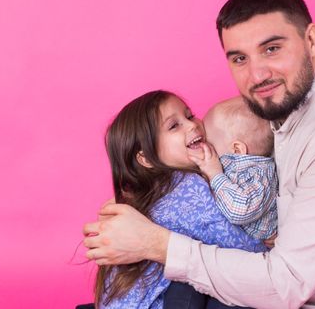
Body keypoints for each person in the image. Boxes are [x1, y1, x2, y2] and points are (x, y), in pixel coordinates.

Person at [84, 0, 315, 308]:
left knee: (190, 281)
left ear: (311, 41)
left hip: (306, 298)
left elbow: (285, 285)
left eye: (271, 48)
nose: (257, 75)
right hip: (287, 289)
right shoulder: (279, 112)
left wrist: (153, 241)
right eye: (240, 58)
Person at [95, 89, 266, 309]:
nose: (192, 125)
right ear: (146, 158)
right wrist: (271, 245)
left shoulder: (154, 193)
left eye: (189, 115)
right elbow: (239, 246)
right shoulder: (188, 188)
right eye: (174, 126)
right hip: (159, 303)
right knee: (221, 287)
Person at [189, 96, 278, 240]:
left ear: (236, 149)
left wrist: (215, 175)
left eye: (210, 144)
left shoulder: (258, 174)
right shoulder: (242, 169)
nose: (205, 149)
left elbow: (240, 211)